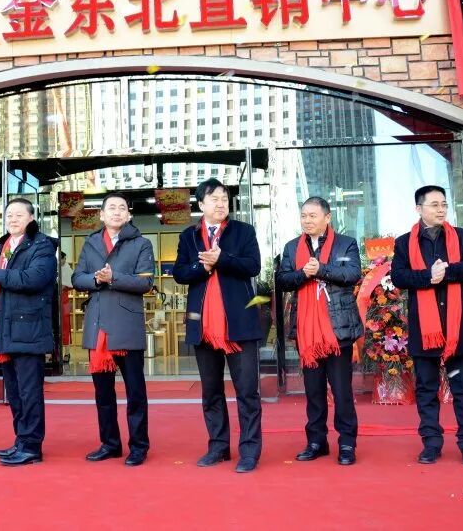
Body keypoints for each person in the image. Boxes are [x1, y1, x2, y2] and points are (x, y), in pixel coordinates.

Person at [391, 185, 463, 467]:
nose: (441, 209)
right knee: (426, 388)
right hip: (424, 328)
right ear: (419, 209)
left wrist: (447, 272)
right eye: (434, 205)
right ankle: (431, 444)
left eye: (443, 204)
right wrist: (427, 277)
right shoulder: (404, 242)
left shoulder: (461, 237)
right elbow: (399, 277)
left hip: (457, 327)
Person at [174, 178, 263, 473]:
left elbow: (253, 266)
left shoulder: (243, 231)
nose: (221, 203)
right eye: (214, 199)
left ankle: (249, 451)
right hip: (204, 327)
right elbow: (180, 273)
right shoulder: (189, 236)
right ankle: (218, 446)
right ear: (201, 205)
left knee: (247, 391)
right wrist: (203, 266)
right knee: (211, 391)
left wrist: (222, 259)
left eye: (224, 198)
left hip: (239, 324)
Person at [276, 197, 362, 465]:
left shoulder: (346, 243)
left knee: (342, 391)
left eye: (313, 215)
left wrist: (322, 270)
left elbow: (353, 274)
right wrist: (304, 273)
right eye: (304, 216)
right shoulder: (292, 247)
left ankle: (346, 443)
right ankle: (316, 442)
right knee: (313, 392)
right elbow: (282, 280)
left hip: (337, 330)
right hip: (307, 332)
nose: (307, 220)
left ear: (327, 217)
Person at [72, 192, 155, 467]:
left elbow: (146, 283)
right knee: (103, 393)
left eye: (122, 208)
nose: (117, 212)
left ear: (129, 215)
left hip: (126, 325)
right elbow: (77, 278)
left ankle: (139, 446)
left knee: (135, 392)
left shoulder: (141, 243)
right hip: (98, 326)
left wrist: (113, 277)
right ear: (101, 215)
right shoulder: (91, 242)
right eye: (111, 208)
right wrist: (96, 280)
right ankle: (110, 443)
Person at [0, 198, 57, 467]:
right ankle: (21, 440)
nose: (12, 219)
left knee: (29, 391)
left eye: (19, 215)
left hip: (29, 328)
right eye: (9, 215)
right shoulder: (4, 245)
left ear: (31, 218)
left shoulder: (42, 245)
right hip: (7, 327)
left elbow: (33, 280)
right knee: (14, 391)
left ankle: (32, 446)